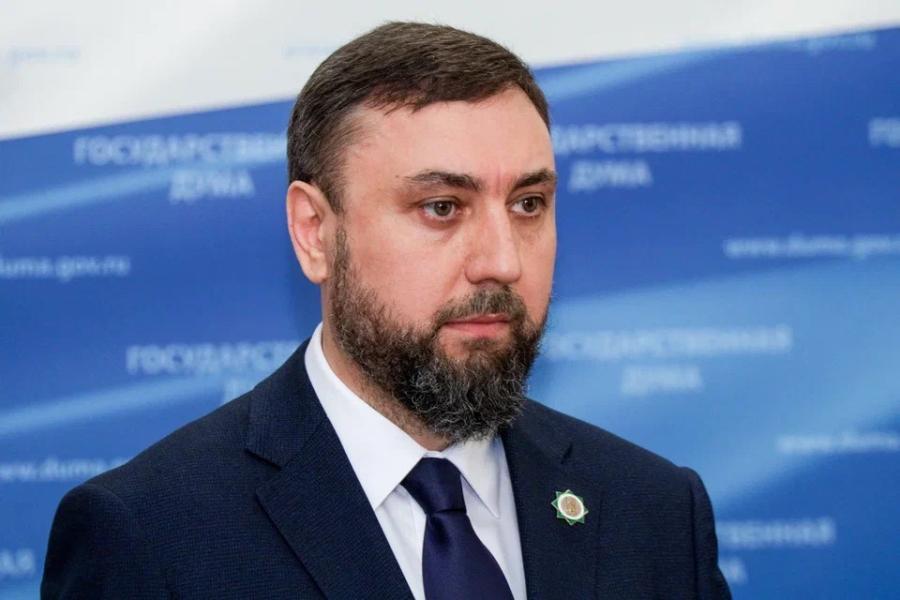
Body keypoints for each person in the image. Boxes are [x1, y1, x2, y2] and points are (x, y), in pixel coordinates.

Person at [42, 22, 731, 599]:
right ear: (316, 232)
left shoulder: (653, 511)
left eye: (528, 204)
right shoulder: (151, 536)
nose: (503, 260)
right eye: (442, 207)